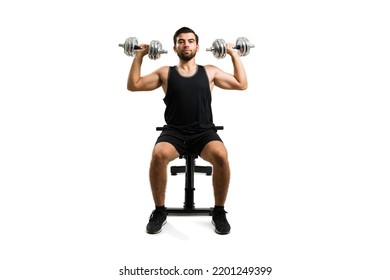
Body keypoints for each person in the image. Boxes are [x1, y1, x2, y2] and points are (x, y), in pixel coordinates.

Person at [127, 27, 248, 234]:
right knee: (158, 155)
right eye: (181, 41)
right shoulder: (165, 72)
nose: (186, 45)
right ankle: (159, 211)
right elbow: (134, 85)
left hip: (203, 132)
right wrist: (139, 56)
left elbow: (241, 84)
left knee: (221, 155)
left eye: (190, 41)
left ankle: (219, 211)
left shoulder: (210, 71)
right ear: (174, 47)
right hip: (174, 132)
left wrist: (233, 54)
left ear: (197, 47)